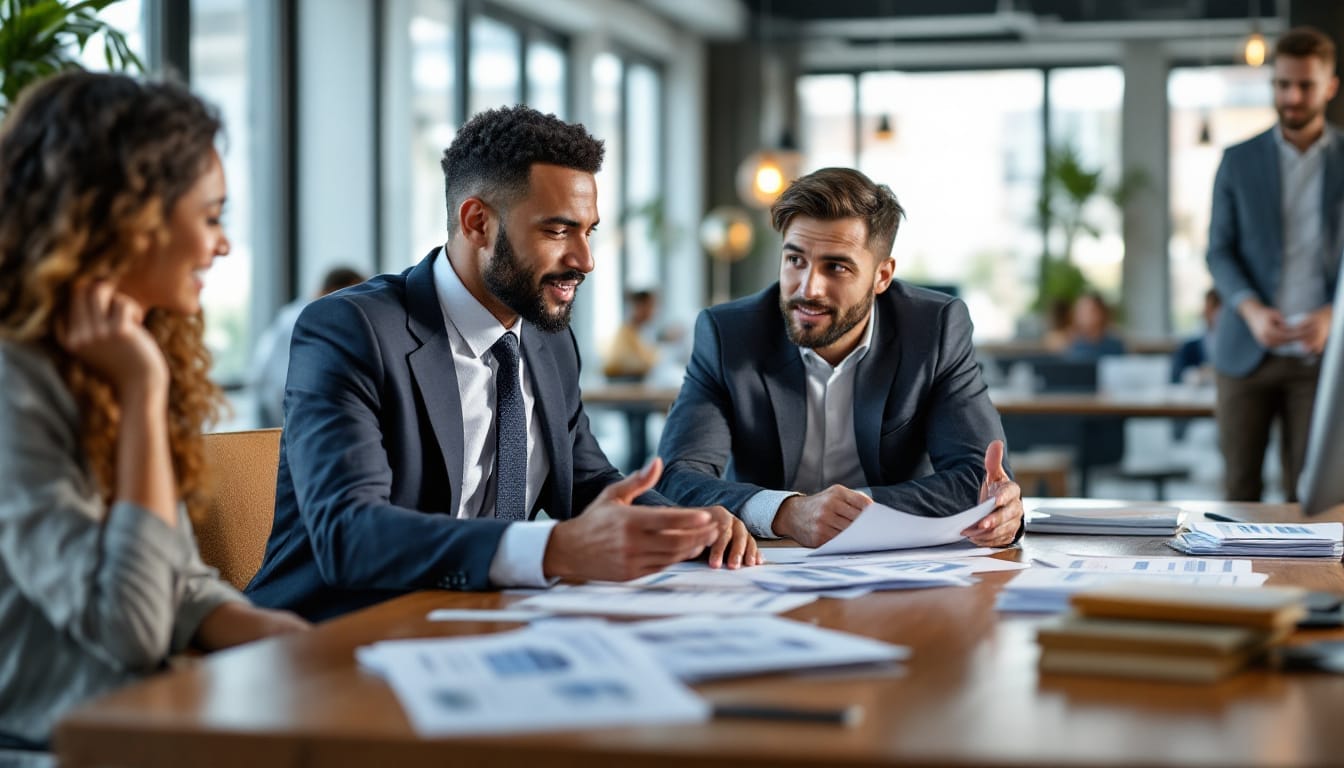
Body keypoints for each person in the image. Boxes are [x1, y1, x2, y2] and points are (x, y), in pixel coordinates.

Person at [245, 106, 759, 622]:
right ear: (477, 223)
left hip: (477, 629)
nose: (585, 260)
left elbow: (585, 484)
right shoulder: (350, 331)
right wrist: (553, 548)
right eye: (558, 231)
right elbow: (349, 535)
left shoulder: (548, 341)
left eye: (589, 232)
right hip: (327, 640)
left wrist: (683, 527)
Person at [0, 72, 307, 750]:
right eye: (210, 216)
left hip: (147, 721)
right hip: (56, 745)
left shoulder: (120, 354)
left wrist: (272, 631)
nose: (222, 244)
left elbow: (169, 574)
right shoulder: (18, 381)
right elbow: (130, 628)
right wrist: (143, 390)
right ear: (129, 219)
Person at [655, 167, 1023, 549]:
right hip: (766, 558)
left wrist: (847, 511)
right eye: (795, 260)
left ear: (882, 276)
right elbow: (676, 478)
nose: (808, 288)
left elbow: (977, 483)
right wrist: (788, 512)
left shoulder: (933, 330)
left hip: (893, 565)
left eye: (836, 267)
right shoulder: (728, 334)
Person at [1207, 26, 1343, 502]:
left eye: (1305, 85)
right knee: (1237, 491)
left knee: (1309, 496)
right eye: (1282, 84)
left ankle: (1300, 582)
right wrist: (1250, 309)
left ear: (1329, 86)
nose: (1292, 96)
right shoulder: (1238, 161)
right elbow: (1218, 251)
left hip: (1321, 356)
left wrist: (1333, 316)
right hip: (1247, 348)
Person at [248, 266, 367, 427]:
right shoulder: (305, 321)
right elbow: (286, 384)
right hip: (280, 419)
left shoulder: (292, 315)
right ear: (331, 291)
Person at [602, 289, 660, 380]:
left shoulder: (642, 332)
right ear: (639, 307)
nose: (654, 311)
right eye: (651, 305)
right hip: (624, 384)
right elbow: (644, 363)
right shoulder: (626, 333)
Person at [1171, 288, 1221, 385]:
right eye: (1213, 308)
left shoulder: (1241, 348)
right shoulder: (1189, 348)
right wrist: (1197, 375)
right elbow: (1175, 377)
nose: (1217, 314)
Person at [1063, 291, 1125, 360]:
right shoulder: (1068, 344)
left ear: (1101, 313)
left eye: (1089, 310)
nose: (1083, 316)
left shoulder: (1115, 345)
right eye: (1080, 311)